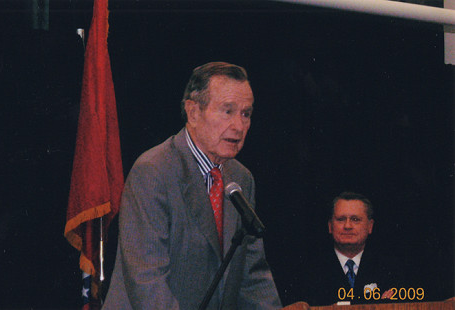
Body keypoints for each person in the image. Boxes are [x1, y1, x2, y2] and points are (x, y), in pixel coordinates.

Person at [103, 62, 282, 309]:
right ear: (193, 112)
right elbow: (148, 282)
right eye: (227, 111)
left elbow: (252, 276)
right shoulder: (153, 171)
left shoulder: (241, 179)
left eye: (246, 114)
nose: (239, 126)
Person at [292, 192, 401, 306]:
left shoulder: (391, 269)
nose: (347, 226)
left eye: (355, 219)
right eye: (341, 219)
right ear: (330, 226)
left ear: (370, 226)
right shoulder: (308, 271)